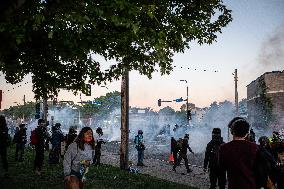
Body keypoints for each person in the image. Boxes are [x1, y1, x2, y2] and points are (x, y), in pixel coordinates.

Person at [218, 117, 265, 189]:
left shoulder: (224, 148)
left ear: (232, 132)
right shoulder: (255, 148)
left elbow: (221, 172)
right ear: (247, 134)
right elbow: (259, 171)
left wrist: (222, 186)